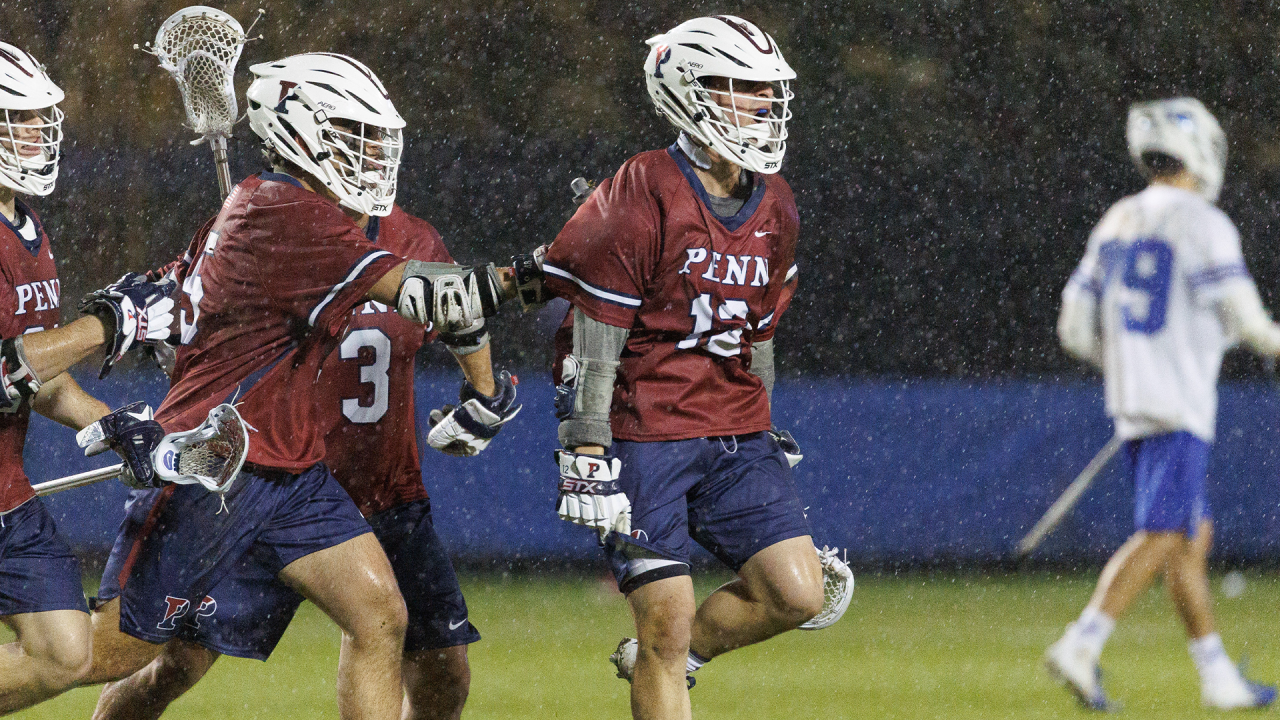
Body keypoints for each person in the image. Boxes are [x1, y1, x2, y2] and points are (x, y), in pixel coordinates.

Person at [76, 52, 518, 720]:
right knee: (138, 659)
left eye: (375, 138)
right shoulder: (279, 213)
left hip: (332, 479)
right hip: (240, 472)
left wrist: (484, 392)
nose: (372, 153)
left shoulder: (366, 225)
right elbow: (436, 292)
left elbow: (454, 311)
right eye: (356, 135)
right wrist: (547, 270)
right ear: (303, 133)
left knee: (394, 627)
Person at [90, 204, 488, 720]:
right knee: (171, 665)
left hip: (381, 493)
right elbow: (174, 297)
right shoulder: (269, 224)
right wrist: (178, 335)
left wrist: (486, 389)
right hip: (262, 482)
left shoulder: (414, 238)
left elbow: (460, 309)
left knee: (441, 670)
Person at [539, 16, 822, 720]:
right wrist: (584, 442)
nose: (760, 105)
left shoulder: (776, 200)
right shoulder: (647, 183)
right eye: (742, 89)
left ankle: (674, 660)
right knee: (663, 619)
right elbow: (599, 328)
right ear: (687, 92)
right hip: (646, 433)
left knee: (796, 594)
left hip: (732, 428)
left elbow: (760, 328)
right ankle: (665, 657)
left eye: (766, 91)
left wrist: (763, 414)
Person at [1047, 97, 1279, 711]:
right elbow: (1251, 324)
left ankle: (1217, 676)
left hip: (1132, 397)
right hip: (1178, 402)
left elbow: (1074, 326)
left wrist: (1127, 364)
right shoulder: (1203, 222)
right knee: (1164, 531)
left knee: (1188, 536)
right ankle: (1082, 642)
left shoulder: (1117, 218)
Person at [0, 43, 176, 714]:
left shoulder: (27, 227)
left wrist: (103, 419)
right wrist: (106, 323)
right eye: (18, 117)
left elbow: (36, 374)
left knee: (65, 652)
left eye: (42, 119)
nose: (38, 134)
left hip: (6, 491)